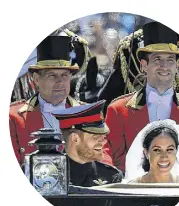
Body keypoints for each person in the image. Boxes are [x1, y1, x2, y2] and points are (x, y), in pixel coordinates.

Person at [104, 21, 179, 173]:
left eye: (170, 60)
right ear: (144, 65)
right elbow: (112, 162)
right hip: (130, 191)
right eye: (157, 59)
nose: (164, 66)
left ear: (177, 67)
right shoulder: (118, 110)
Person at [9, 35, 85, 166]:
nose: (60, 81)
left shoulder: (88, 114)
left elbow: (101, 161)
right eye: (52, 75)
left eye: (64, 75)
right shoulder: (13, 117)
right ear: (37, 80)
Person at [52, 100, 123, 187]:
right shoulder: (49, 176)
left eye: (103, 136)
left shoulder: (111, 176)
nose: (103, 141)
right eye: (95, 137)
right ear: (74, 138)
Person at [125, 119, 179, 183]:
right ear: (146, 152)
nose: (164, 156)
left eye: (169, 149)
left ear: (176, 151)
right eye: (157, 150)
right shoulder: (133, 186)